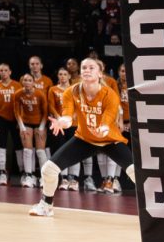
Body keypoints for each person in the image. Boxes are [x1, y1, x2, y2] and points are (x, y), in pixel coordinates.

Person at [29, 58, 136, 217]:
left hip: (109, 140)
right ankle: (46, 205)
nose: (86, 70)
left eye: (91, 68)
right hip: (84, 139)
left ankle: (156, 210)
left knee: (137, 173)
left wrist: (104, 129)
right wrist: (62, 122)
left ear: (100, 73)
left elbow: (108, 119)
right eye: (84, 67)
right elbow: (67, 116)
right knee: (48, 170)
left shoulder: (110, 95)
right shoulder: (71, 91)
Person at [0, 62, 23, 186]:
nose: (3, 72)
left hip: (15, 118)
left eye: (5, 70)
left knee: (19, 146)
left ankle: (23, 173)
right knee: (1, 145)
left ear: (10, 72)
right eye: (1, 70)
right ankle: (2, 172)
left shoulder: (17, 85)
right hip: (1, 119)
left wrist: (21, 121)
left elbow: (21, 103)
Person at [15, 73, 49, 188]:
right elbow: (17, 112)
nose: (27, 82)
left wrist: (41, 127)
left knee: (40, 151)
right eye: (25, 80)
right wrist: (22, 128)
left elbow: (45, 112)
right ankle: (29, 176)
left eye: (30, 80)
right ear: (22, 82)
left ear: (33, 82)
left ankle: (44, 178)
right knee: (27, 150)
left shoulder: (40, 94)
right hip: (26, 123)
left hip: (40, 123)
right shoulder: (18, 94)